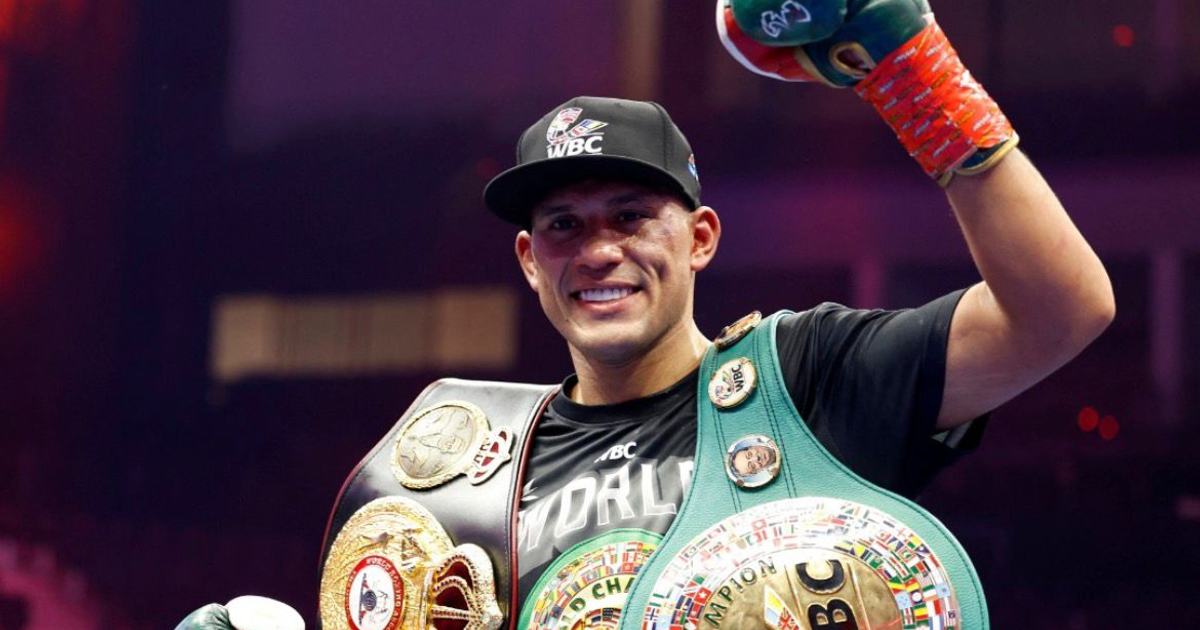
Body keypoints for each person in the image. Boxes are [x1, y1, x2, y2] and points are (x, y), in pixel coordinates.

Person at [177, 0, 1114, 628]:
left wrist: (916, 75)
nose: (598, 250)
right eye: (564, 226)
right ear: (529, 260)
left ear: (701, 237)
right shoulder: (455, 472)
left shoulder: (804, 381)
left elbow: (1058, 312)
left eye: (632, 217)